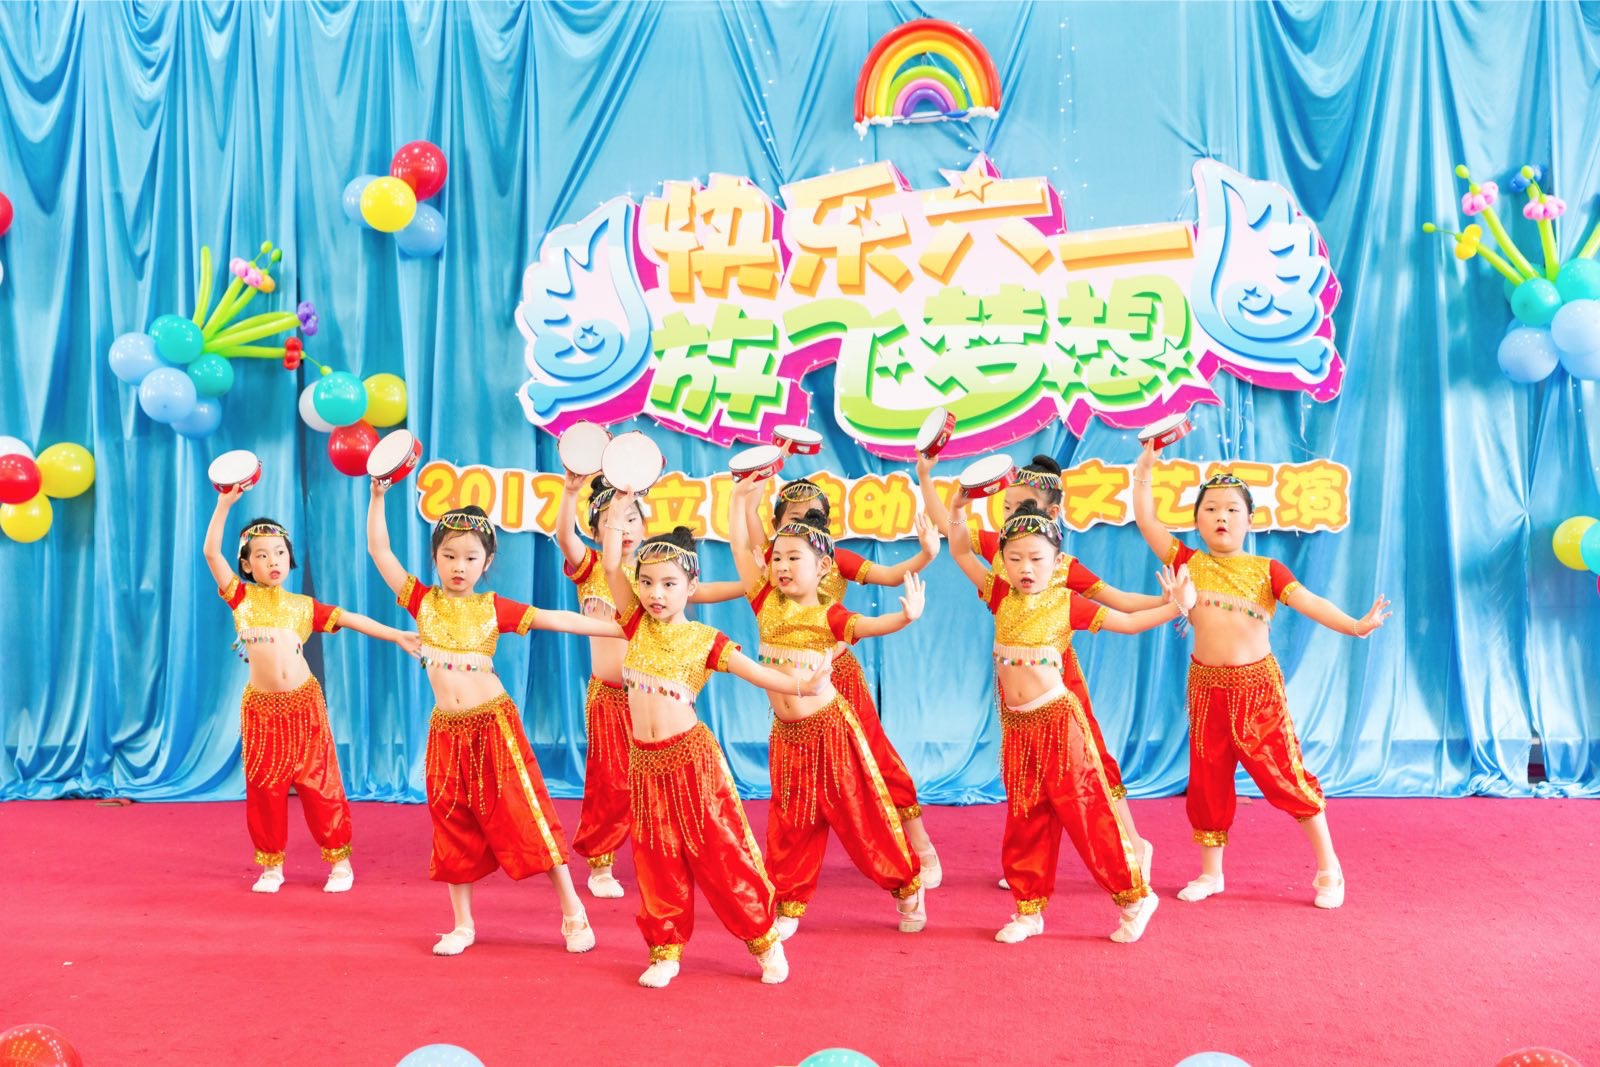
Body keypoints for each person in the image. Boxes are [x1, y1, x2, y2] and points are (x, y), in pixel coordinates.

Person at [368, 482, 623, 956]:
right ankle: (462, 924)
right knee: (451, 822)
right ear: (434, 558)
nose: (458, 566)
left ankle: (573, 911)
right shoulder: (422, 601)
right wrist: (378, 497)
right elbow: (380, 551)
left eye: (470, 557)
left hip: (493, 726)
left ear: (486, 563)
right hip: (447, 732)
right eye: (449, 555)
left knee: (526, 813)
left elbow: (558, 619)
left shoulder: (492, 607)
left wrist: (622, 628)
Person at [1131, 445, 1391, 908]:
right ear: (1197, 521)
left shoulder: (1266, 570)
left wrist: (1355, 625)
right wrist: (1145, 469)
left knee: (1284, 777)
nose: (1221, 516)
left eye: (1233, 509)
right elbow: (1147, 520)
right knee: (1208, 782)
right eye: (1211, 509)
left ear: (1250, 520)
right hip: (1206, 689)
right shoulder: (1187, 562)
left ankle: (1329, 867)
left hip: (1257, 691)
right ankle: (1211, 873)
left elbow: (1311, 602)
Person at [599, 501, 835, 988]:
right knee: (655, 858)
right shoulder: (633, 622)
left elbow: (756, 673)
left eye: (669, 584)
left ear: (691, 587)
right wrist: (618, 508)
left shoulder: (706, 639)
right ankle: (665, 950)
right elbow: (609, 566)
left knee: (722, 854)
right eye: (647, 582)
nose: (656, 594)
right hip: (645, 766)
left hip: (691, 762)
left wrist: (801, 685)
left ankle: (764, 939)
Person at [948, 496, 1193, 943]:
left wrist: (1177, 606)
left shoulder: (1065, 604)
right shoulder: (999, 596)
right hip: (1018, 728)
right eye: (1015, 558)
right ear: (1003, 561)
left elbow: (1128, 623)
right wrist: (958, 510)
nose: (1025, 567)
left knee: (1086, 813)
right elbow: (962, 551)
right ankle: (1029, 910)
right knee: (1025, 818)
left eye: (1036, 558)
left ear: (1057, 561)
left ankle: (1135, 898)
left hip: (1060, 724)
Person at [920, 452, 1166, 884]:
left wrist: (1170, 602)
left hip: (1057, 674)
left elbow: (1123, 604)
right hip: (1014, 670)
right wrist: (925, 475)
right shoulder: (1004, 547)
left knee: (1089, 761)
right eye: (1007, 507)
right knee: (1027, 771)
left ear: (1052, 515)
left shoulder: (1064, 567)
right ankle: (1030, 867)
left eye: (1023, 506)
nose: (1013, 515)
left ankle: (1133, 844)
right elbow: (952, 533)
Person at [730, 477, 928, 940]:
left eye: (793, 558)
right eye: (777, 557)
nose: (781, 566)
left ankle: (906, 885)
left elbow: (871, 624)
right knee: (789, 821)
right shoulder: (763, 600)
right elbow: (740, 545)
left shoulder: (828, 614)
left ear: (822, 568)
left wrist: (905, 616)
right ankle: (789, 902)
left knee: (861, 818)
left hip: (830, 732)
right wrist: (739, 499)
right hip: (787, 735)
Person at [203, 486, 420, 894]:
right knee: (265, 788)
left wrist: (397, 635)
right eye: (262, 555)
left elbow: (352, 618)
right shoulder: (240, 597)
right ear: (246, 564)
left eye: (279, 553)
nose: (273, 561)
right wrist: (224, 504)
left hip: (304, 706)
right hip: (261, 711)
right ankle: (271, 866)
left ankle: (340, 862)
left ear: (290, 558)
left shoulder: (303, 607)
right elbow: (212, 553)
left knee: (319, 783)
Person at [554, 469, 745, 899]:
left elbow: (702, 591)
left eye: (630, 519)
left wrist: (753, 584)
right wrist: (569, 491)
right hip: (609, 697)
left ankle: (675, 856)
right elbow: (564, 536)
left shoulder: (654, 576)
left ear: (645, 525)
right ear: (596, 531)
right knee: (610, 782)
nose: (622, 529)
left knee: (669, 783)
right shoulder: (592, 569)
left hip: (657, 698)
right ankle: (601, 863)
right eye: (611, 521)